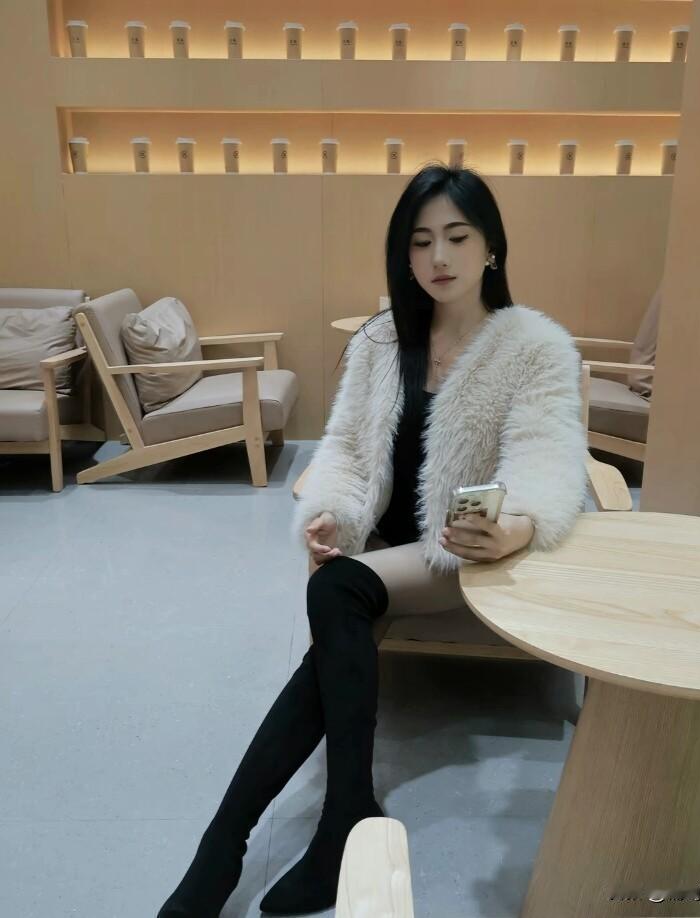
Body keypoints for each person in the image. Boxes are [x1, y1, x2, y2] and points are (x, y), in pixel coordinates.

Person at [157, 164, 587, 916]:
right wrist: (332, 514)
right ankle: (246, 842)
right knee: (332, 621)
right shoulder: (383, 340)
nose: (438, 257)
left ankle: (293, 833)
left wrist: (512, 526)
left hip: (465, 553)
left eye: (457, 236)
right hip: (385, 547)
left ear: (491, 246)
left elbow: (548, 461)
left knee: (338, 591)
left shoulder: (533, 346)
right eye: (420, 241)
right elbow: (350, 452)